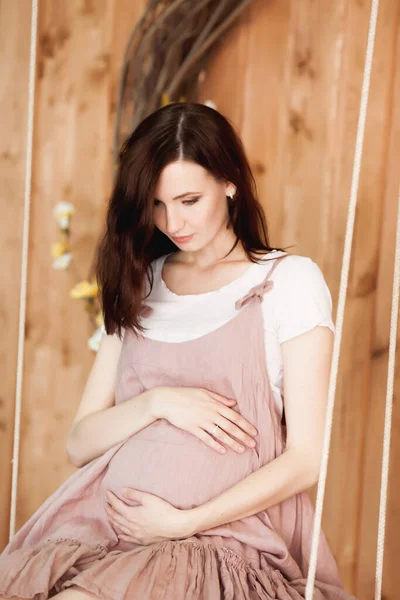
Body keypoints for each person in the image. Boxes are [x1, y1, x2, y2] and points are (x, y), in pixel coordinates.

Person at [0, 102, 356, 600]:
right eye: (157, 204)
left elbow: (304, 461)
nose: (173, 221)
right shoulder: (141, 282)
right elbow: (80, 443)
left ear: (230, 182)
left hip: (214, 541)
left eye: (189, 200)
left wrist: (183, 522)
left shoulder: (287, 283)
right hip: (104, 531)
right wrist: (159, 401)